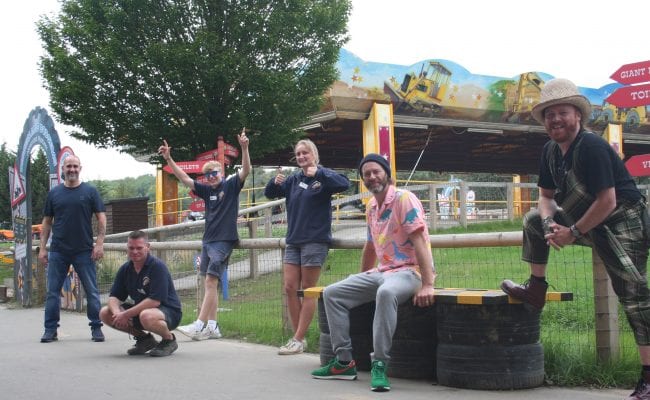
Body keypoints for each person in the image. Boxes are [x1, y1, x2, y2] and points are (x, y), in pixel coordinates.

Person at [499, 78, 650, 400]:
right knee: (532, 221)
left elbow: (607, 201)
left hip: (623, 220)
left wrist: (574, 232)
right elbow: (545, 196)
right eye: (549, 114)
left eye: (562, 112)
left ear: (577, 115)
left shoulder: (592, 147)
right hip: (586, 219)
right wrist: (552, 223)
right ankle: (536, 289)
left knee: (634, 297)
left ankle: (648, 377)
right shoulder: (551, 151)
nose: (555, 120)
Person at [311, 153, 436, 392]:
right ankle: (344, 362)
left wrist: (428, 283)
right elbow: (370, 245)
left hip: (411, 271)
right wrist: (361, 279)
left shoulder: (404, 199)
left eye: (376, 171)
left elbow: (420, 241)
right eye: (366, 174)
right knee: (332, 293)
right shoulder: (371, 206)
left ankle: (380, 364)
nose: (372, 176)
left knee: (386, 293)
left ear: (386, 173)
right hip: (383, 271)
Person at [158, 128, 250, 340]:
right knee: (209, 282)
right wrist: (169, 159)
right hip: (208, 241)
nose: (210, 177)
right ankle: (212, 326)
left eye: (214, 173)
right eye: (207, 174)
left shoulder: (231, 185)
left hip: (223, 241)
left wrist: (245, 148)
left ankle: (199, 324)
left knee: (210, 281)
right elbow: (184, 178)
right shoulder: (207, 190)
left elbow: (245, 170)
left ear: (222, 173)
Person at [264, 139, 350, 355]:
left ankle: (298, 338)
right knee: (290, 288)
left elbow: (344, 184)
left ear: (314, 154)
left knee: (308, 290)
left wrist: (318, 174)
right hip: (293, 240)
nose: (302, 157)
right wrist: (274, 182)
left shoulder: (323, 176)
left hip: (315, 240)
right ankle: (298, 339)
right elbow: (270, 193)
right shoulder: (293, 180)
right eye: (298, 154)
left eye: (305, 153)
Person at [39, 155, 106, 343]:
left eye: (75, 166)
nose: (72, 170)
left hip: (84, 250)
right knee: (53, 292)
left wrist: (99, 243)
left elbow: (101, 218)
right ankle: (50, 329)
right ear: (63, 169)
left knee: (91, 290)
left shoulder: (90, 191)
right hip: (58, 250)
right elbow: (46, 222)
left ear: (80, 168)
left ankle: (96, 328)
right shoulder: (54, 194)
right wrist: (43, 248)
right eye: (69, 166)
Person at [99, 230, 182, 356]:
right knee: (105, 313)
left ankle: (169, 340)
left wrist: (126, 314)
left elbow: (155, 301)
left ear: (148, 247)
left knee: (146, 315)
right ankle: (145, 340)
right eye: (131, 248)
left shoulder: (157, 267)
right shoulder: (125, 269)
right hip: (143, 311)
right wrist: (117, 313)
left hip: (168, 312)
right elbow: (114, 297)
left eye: (139, 248)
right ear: (127, 248)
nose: (135, 252)